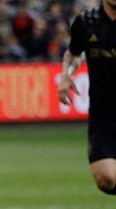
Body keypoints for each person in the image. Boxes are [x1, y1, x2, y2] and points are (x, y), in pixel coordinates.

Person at [58, 0, 116, 194]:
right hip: (103, 115)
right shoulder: (86, 21)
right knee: (105, 179)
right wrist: (67, 74)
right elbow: (74, 54)